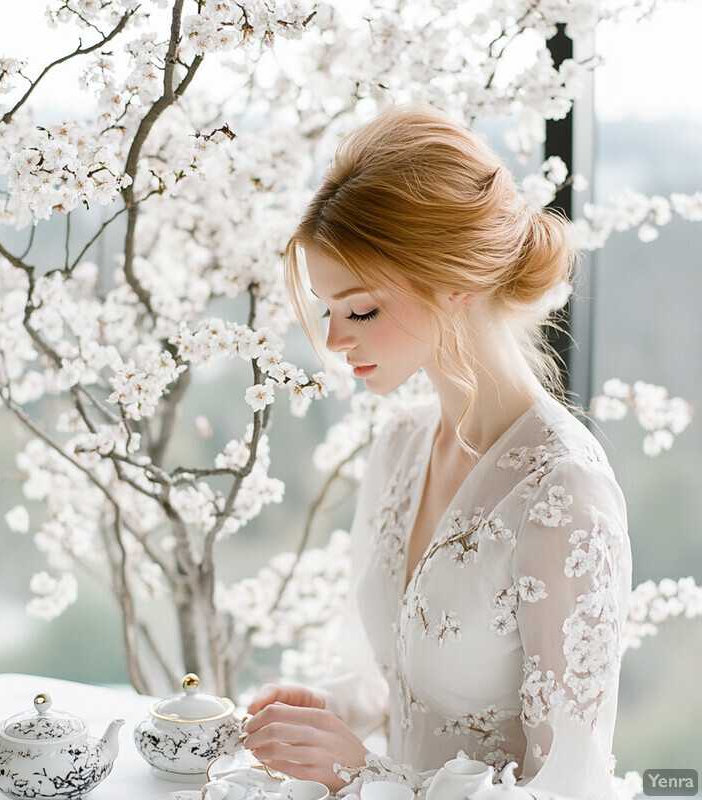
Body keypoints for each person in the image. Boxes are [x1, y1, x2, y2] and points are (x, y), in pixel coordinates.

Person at [242, 104, 632, 799]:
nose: (333, 342)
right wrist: (330, 713)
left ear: (457, 284)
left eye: (359, 310)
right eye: (326, 310)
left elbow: (567, 792)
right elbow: (397, 682)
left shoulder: (563, 493)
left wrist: (357, 773)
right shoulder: (400, 444)